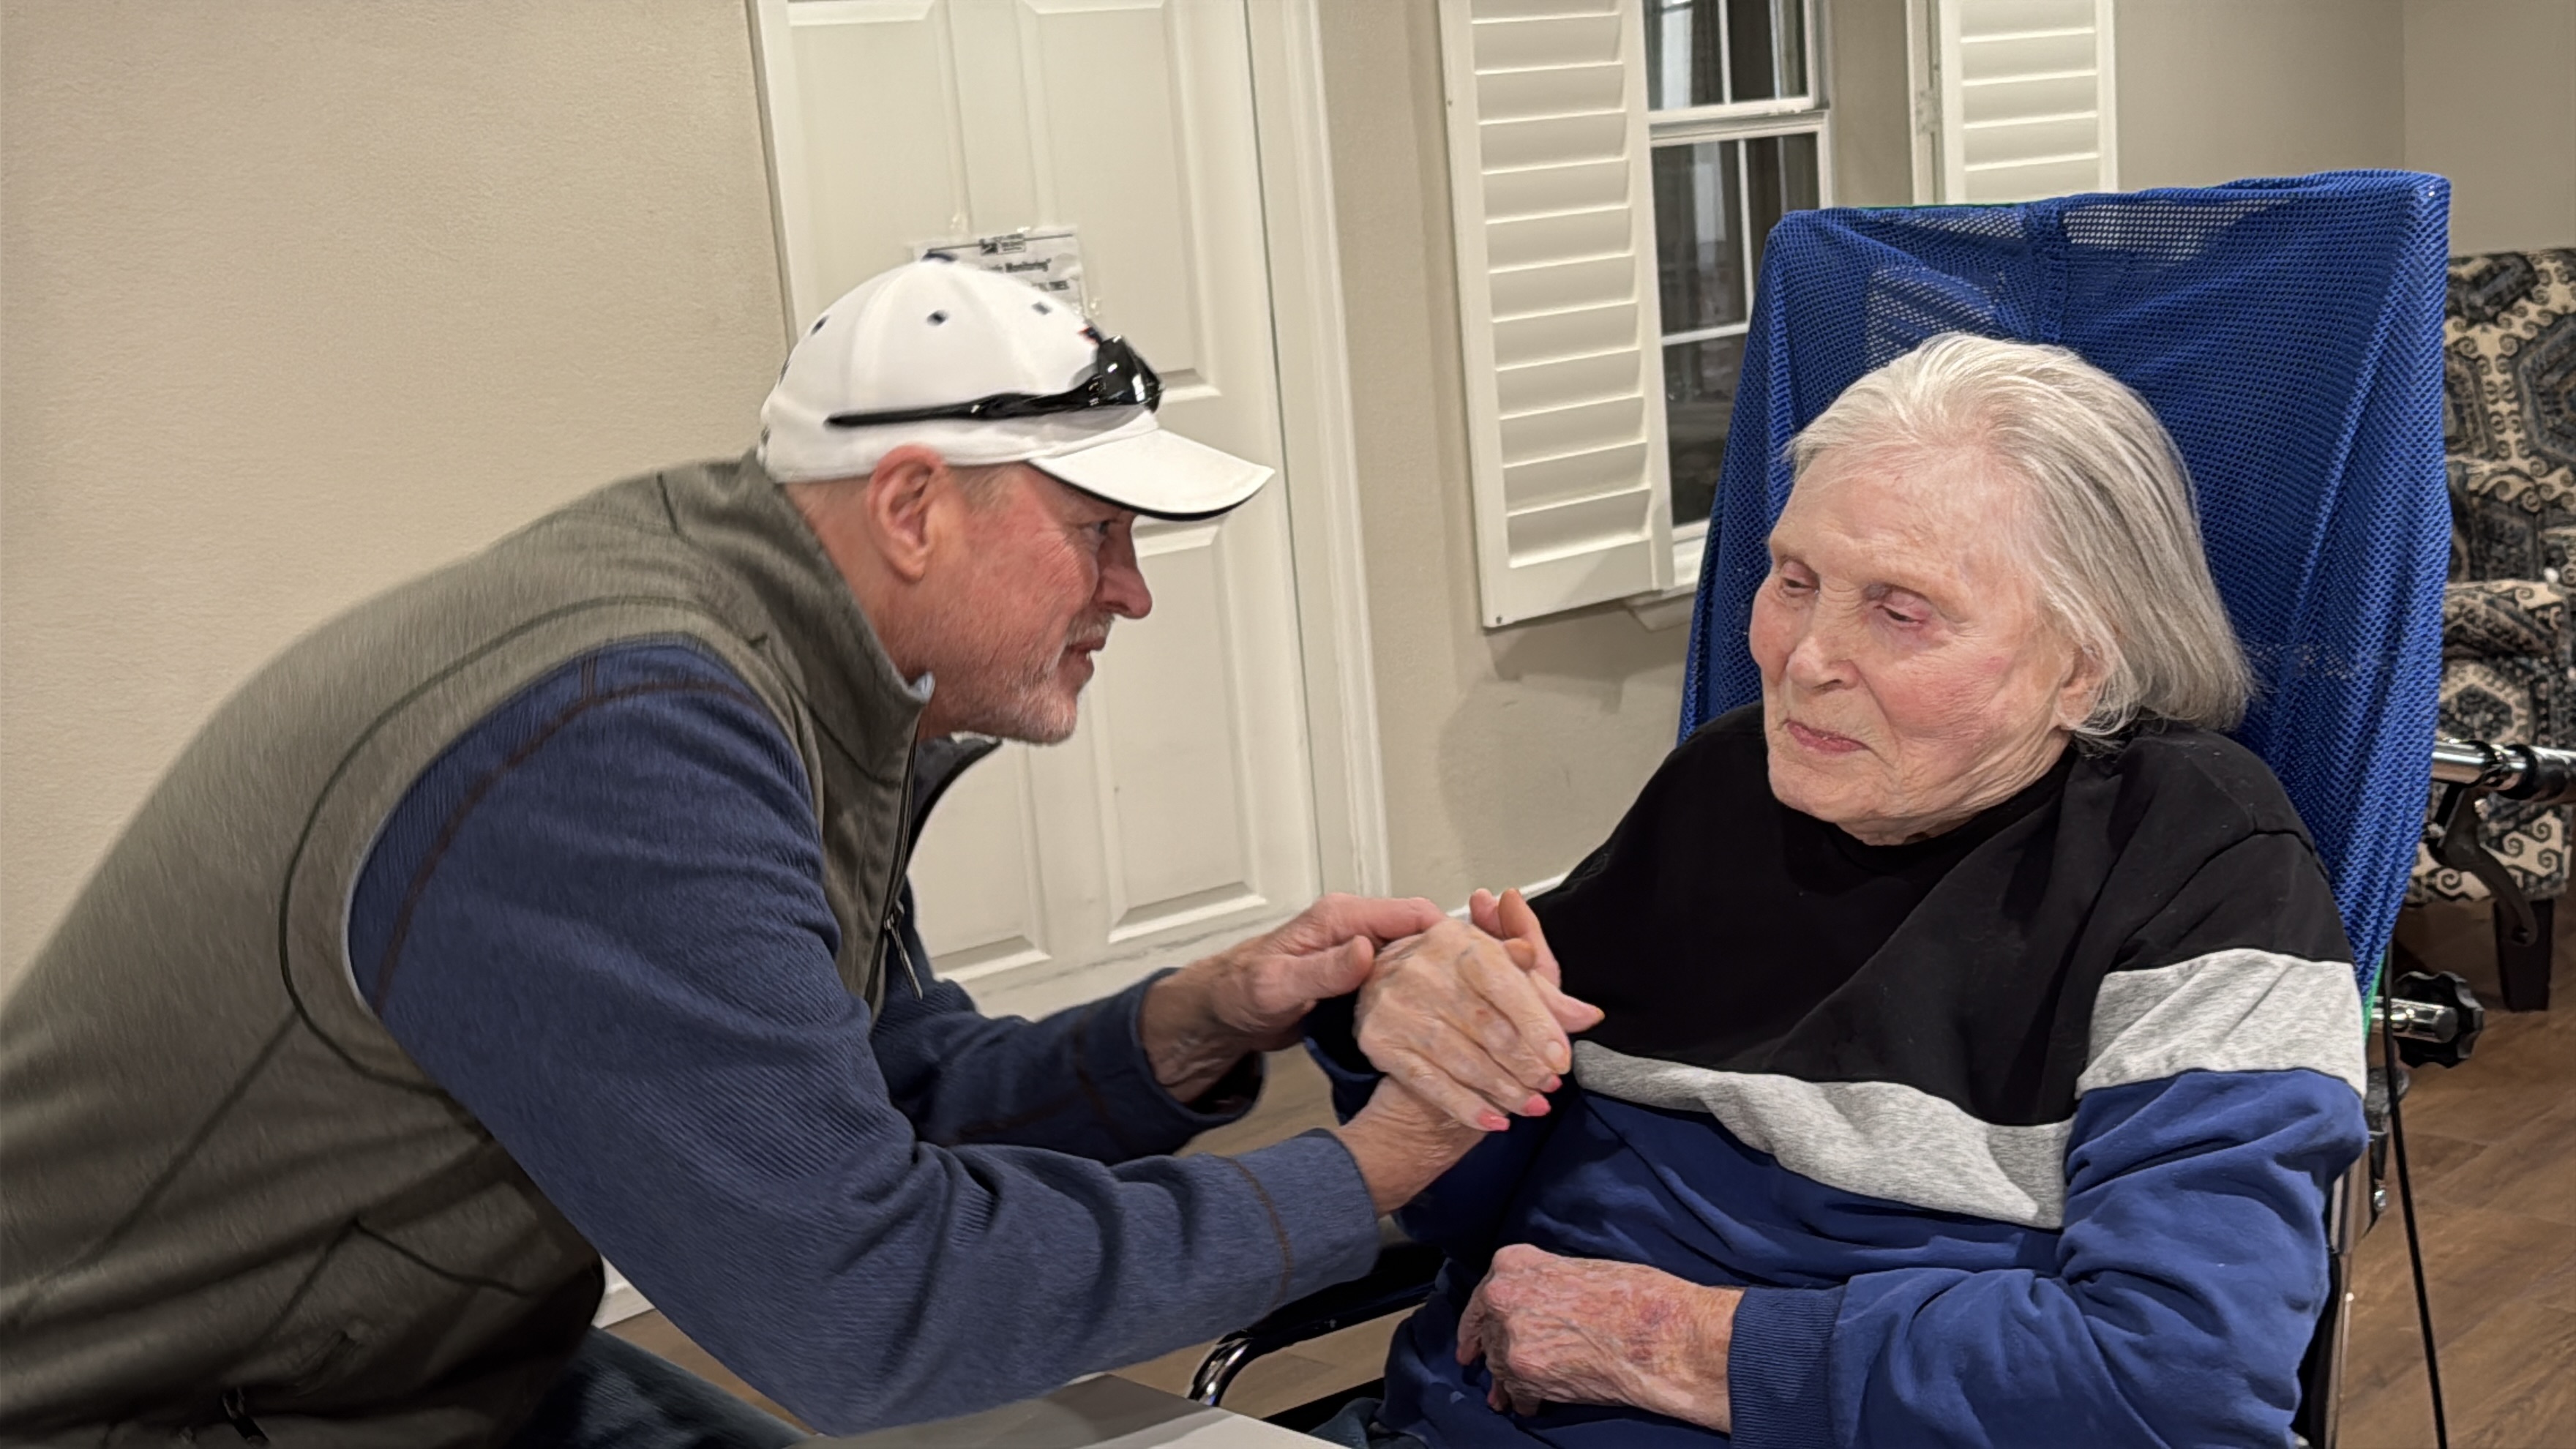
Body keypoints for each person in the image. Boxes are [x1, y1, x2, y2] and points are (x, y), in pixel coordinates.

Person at [0, 261, 1594, 1448]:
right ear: (913, 507)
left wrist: (1194, 1022)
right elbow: (862, 1301)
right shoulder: (624, 735)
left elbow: (873, 1108)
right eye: (1098, 531)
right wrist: (1364, 1174)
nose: (1132, 592)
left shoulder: (781, 657)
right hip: (172, 1406)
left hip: (411, 1359)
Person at [1309, 334, 2371, 1448]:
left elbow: (2181, 1382)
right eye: (1795, 580)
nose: (1804, 657)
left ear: (2083, 661)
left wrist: (1678, 1343)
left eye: (1901, 610)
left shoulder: (2195, 857)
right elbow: (1465, 1208)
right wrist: (1427, 1040)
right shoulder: (1724, 788)